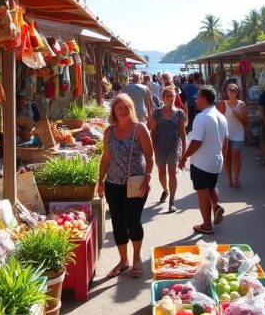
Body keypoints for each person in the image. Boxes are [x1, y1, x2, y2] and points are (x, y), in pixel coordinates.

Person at [97, 93, 155, 278]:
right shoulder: (109, 132)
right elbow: (106, 157)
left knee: (133, 220)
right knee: (117, 222)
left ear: (131, 109)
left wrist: (148, 177)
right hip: (113, 183)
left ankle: (136, 258)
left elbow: (149, 155)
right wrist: (100, 180)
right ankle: (124, 260)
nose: (122, 111)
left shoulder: (140, 129)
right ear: (114, 110)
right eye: (119, 107)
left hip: (136, 183)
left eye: (126, 107)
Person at [179, 86, 228, 234]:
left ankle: (207, 224)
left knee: (202, 193)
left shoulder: (202, 117)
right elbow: (225, 141)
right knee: (211, 186)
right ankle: (216, 206)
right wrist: (223, 158)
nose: (196, 100)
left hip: (202, 162)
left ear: (204, 99)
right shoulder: (221, 116)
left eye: (198, 97)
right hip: (215, 160)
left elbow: (196, 142)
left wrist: (184, 157)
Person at [148, 85, 187, 213]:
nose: (170, 98)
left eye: (172, 96)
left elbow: (182, 134)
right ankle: (165, 189)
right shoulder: (157, 113)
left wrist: (184, 153)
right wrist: (154, 148)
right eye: (167, 96)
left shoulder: (180, 113)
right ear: (163, 98)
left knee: (172, 172)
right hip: (160, 146)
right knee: (161, 173)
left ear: (175, 97)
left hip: (174, 145)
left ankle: (172, 202)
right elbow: (153, 132)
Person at [215, 83, 248, 188]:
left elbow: (245, 121)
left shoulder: (241, 104)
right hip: (225, 135)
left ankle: (236, 179)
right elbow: (216, 119)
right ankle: (229, 178)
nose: (232, 93)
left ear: (237, 92)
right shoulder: (222, 104)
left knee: (236, 156)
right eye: (230, 91)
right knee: (227, 157)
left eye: (234, 91)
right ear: (227, 92)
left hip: (238, 133)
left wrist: (237, 114)